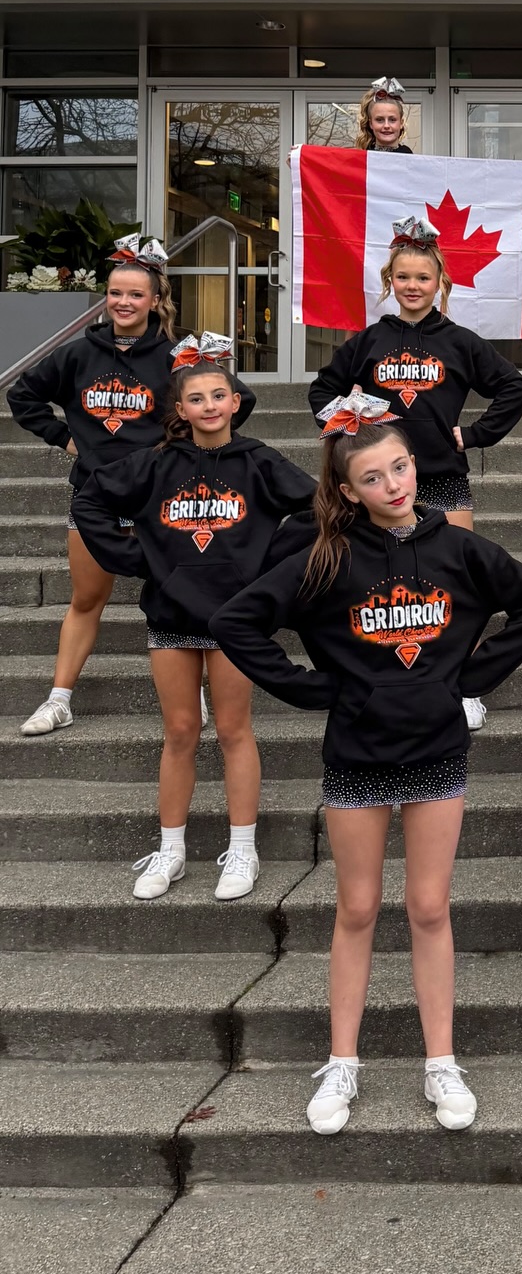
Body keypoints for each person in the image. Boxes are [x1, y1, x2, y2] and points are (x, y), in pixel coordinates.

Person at [211, 389, 522, 1136]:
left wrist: (467, 680)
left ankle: (442, 1061)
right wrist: (310, 689)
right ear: (346, 488)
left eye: (399, 467)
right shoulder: (324, 555)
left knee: (429, 907)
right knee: (357, 908)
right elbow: (236, 619)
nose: (393, 485)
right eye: (373, 476)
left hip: (435, 747)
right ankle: (344, 1062)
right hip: (358, 752)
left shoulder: (457, 547)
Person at [72, 334, 316, 902]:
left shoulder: (259, 461)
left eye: (218, 395)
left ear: (236, 401)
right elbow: (89, 501)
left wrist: (268, 566)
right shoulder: (155, 464)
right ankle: (173, 850)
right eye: (197, 398)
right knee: (180, 731)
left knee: (233, 728)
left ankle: (243, 850)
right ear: (179, 409)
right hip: (172, 611)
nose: (209, 405)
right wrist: (143, 558)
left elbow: (318, 508)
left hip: (235, 617)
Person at [8, 234, 255, 737]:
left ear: (155, 300)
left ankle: (195, 695)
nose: (124, 302)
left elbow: (237, 399)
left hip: (162, 497)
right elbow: (23, 395)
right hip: (96, 495)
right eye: (116, 293)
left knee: (186, 594)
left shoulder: (176, 358)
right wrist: (67, 439)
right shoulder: (78, 354)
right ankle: (59, 699)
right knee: (85, 599)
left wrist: (186, 446)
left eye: (135, 294)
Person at [307, 215, 522, 538]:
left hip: (443, 475)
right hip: (381, 478)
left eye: (423, 278)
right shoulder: (369, 341)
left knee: (454, 570)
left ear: (439, 282)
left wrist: (476, 434)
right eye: (403, 277)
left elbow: (515, 387)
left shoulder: (460, 342)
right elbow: (322, 390)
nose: (412, 286)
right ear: (390, 281)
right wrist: (349, 431)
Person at [356, 76, 413, 154]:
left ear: (401, 123)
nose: (386, 126)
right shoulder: (362, 157)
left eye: (392, 120)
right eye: (379, 120)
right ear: (371, 124)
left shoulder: (410, 158)